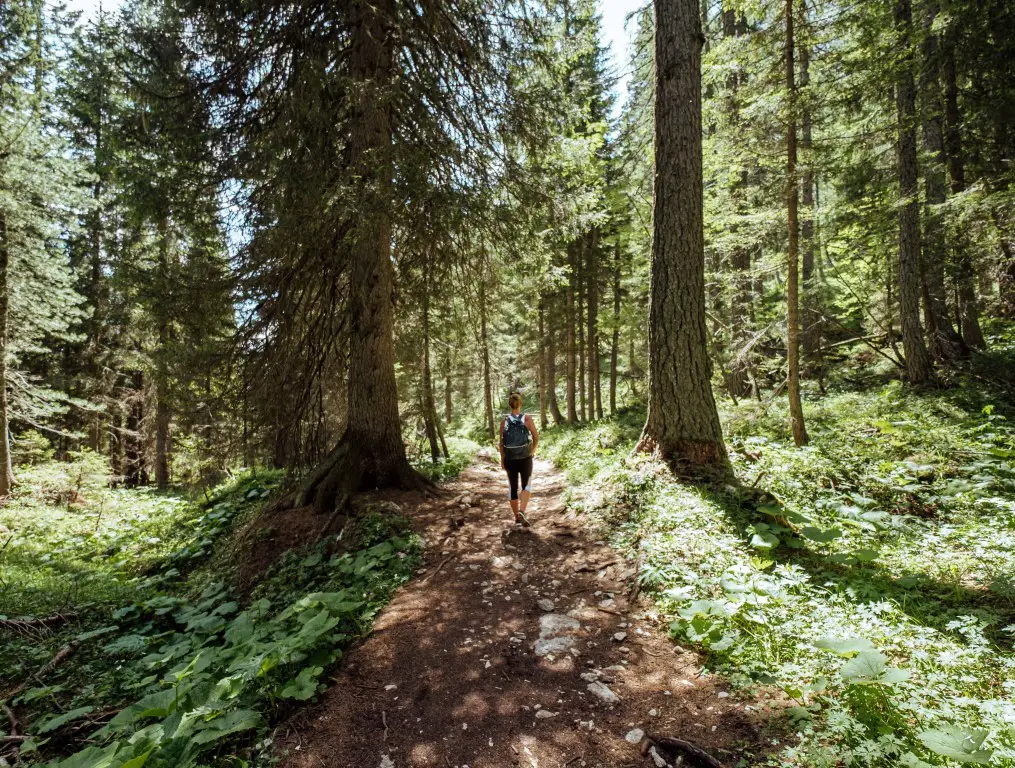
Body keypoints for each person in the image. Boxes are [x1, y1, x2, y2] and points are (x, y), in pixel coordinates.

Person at [499, 391, 539, 526]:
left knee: (513, 487)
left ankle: (516, 518)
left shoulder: (504, 421)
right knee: (526, 484)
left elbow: (501, 443)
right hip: (525, 457)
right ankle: (522, 511)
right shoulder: (527, 419)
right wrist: (532, 450)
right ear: (520, 404)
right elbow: (536, 437)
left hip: (510, 458)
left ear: (510, 405)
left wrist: (502, 459)